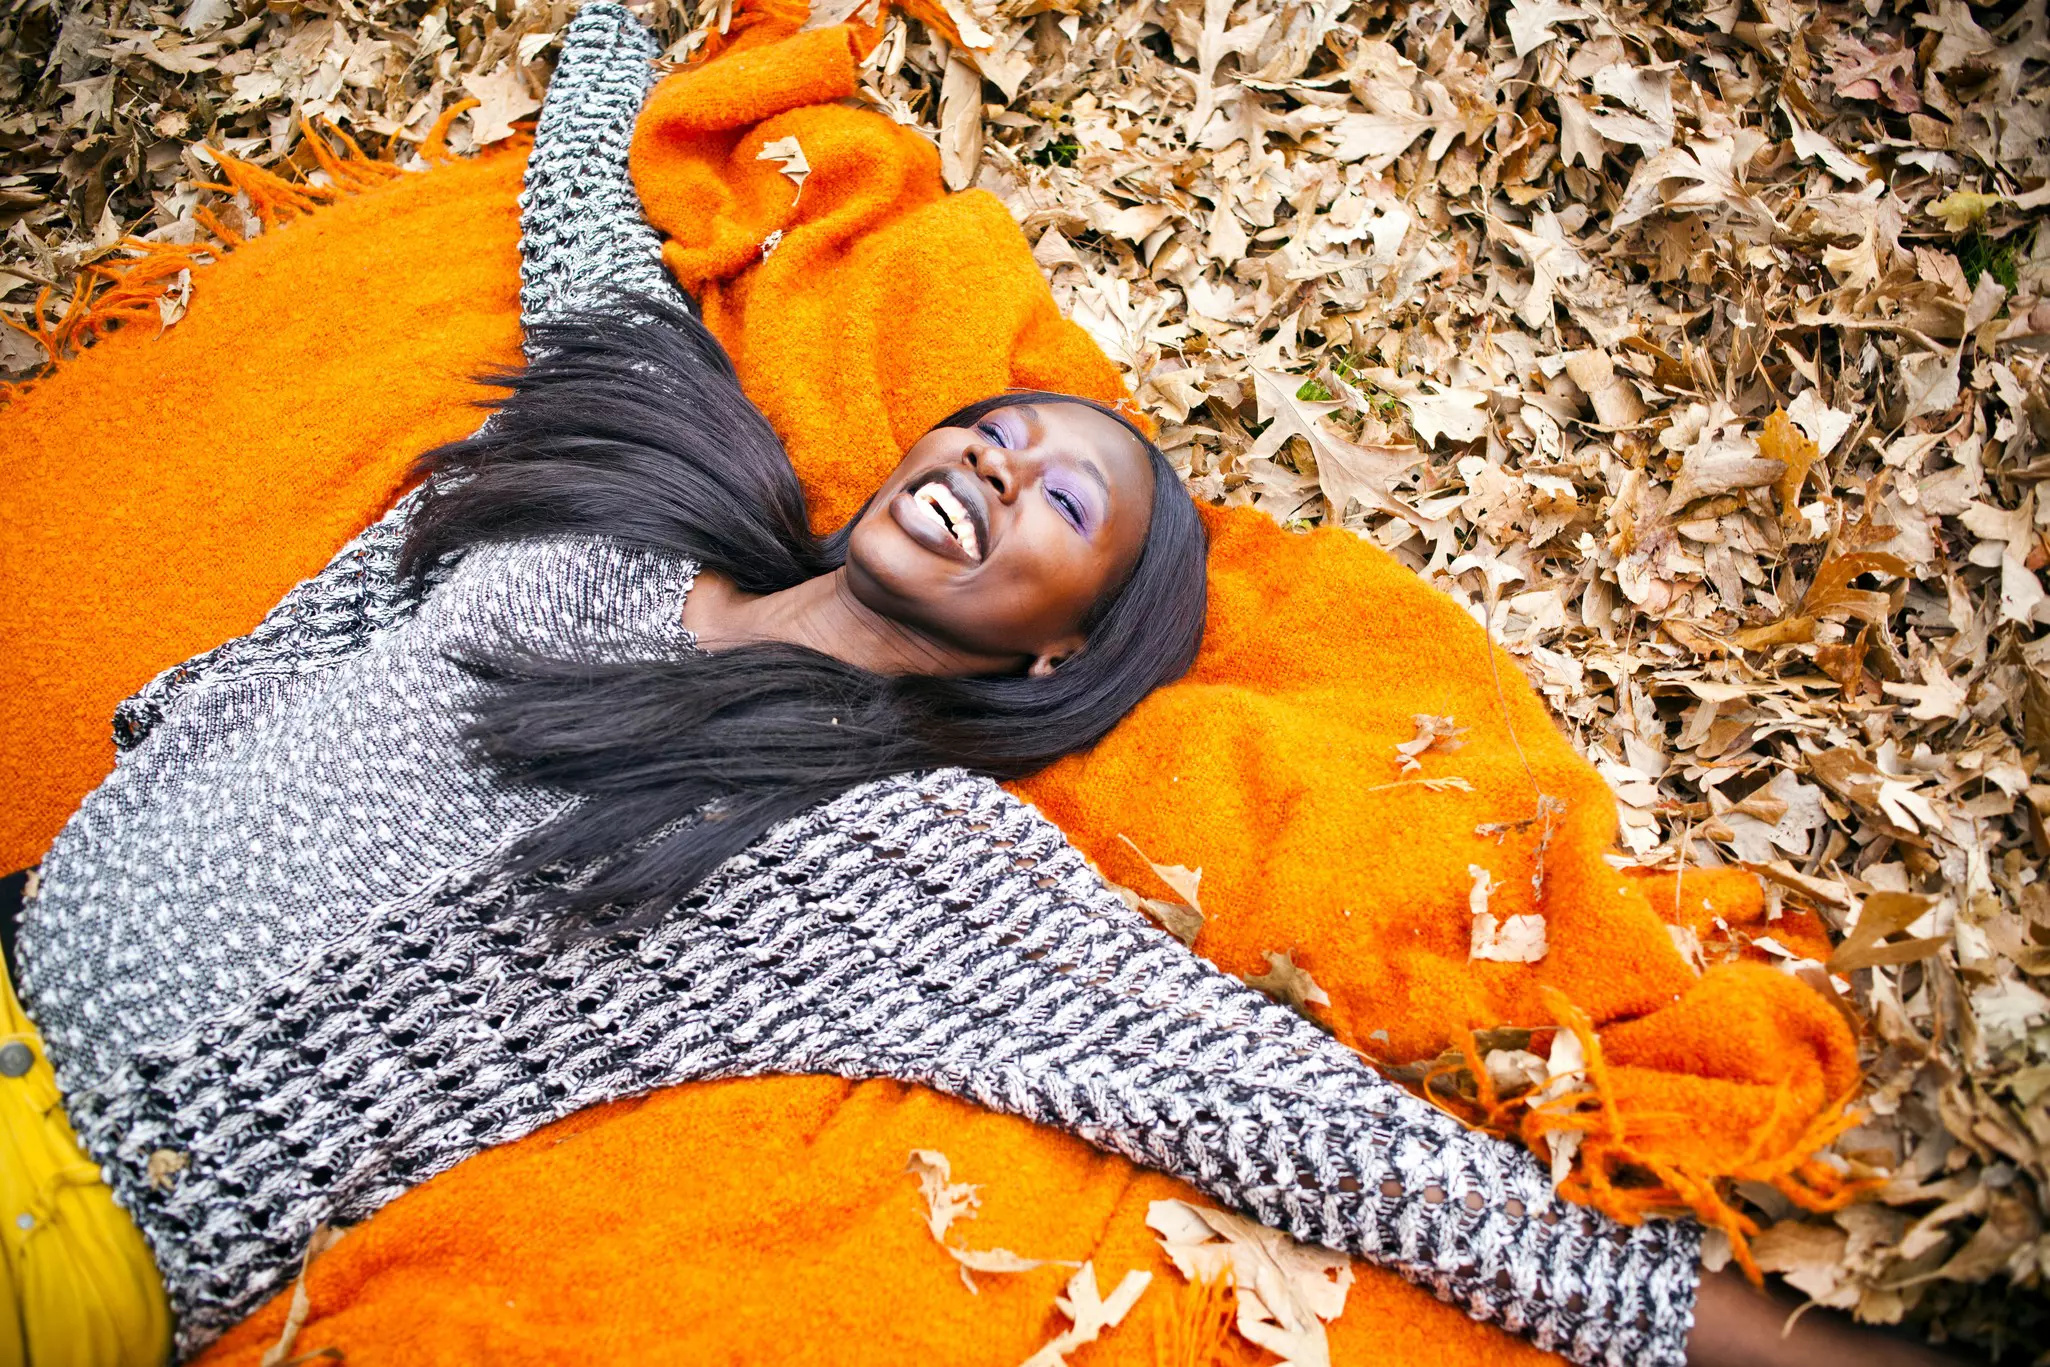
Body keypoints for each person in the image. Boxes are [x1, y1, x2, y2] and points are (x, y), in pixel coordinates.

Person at [0, 8, 1977, 1367]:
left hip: (69, 1205)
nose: (998, 470)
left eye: (1063, 503)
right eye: (995, 433)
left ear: (1055, 641)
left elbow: (1298, 1128)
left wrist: (1780, 1338)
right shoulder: (622, 504)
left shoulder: (881, 862)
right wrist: (625, 27)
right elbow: (587, 229)